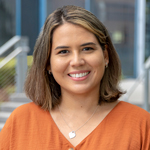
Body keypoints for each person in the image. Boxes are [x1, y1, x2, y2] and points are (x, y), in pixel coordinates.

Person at [0, 5, 150, 150]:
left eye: (87, 49)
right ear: (47, 63)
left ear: (105, 55)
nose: (77, 61)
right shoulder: (20, 122)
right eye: (64, 51)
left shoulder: (141, 124)